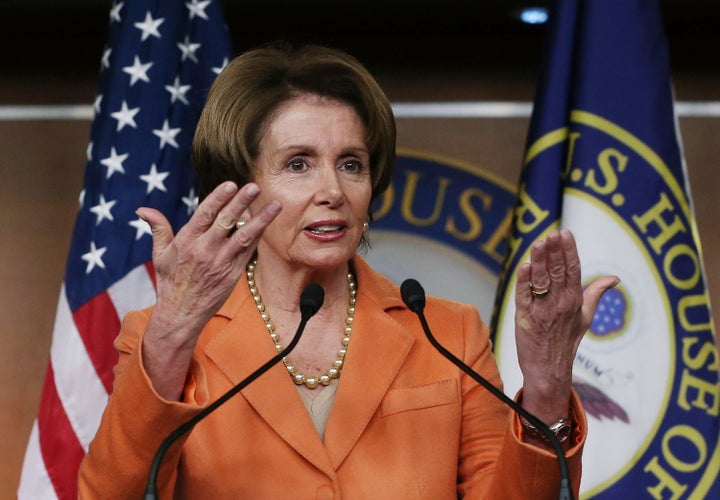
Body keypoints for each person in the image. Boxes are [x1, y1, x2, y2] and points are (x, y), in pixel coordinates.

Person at [78, 42, 619, 498]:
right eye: (298, 164)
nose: (332, 191)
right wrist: (172, 336)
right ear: (239, 186)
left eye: (351, 165)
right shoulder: (168, 339)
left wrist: (547, 386)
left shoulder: (449, 334)